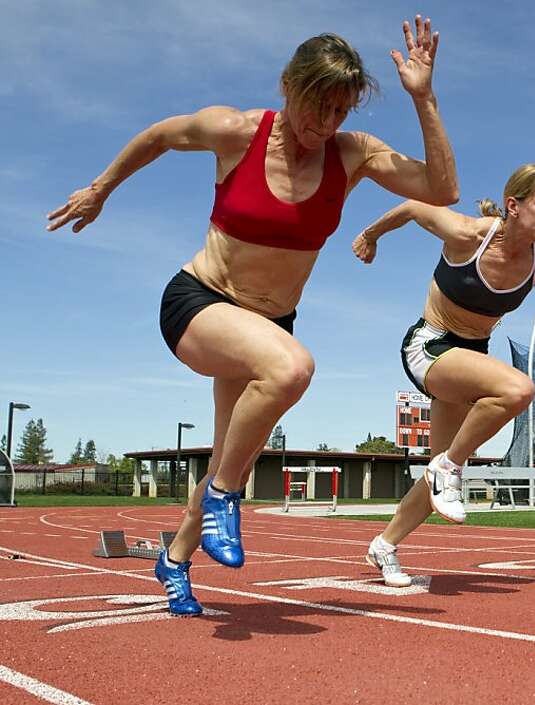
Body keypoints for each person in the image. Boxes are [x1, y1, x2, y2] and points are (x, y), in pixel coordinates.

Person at [46, 19, 459, 615]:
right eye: (316, 107)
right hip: (200, 303)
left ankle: (176, 559)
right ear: (287, 86)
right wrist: (101, 188)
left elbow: (442, 189)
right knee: (291, 371)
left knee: (228, 452)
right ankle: (223, 496)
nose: (325, 125)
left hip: (267, 326)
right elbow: (161, 136)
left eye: (340, 112)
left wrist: (424, 97)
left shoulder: (353, 154)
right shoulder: (235, 131)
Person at [352, 163, 535, 587]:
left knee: (436, 480)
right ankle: (450, 468)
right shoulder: (470, 234)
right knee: (519, 388)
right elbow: (412, 207)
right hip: (431, 346)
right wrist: (369, 236)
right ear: (513, 206)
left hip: (471, 358)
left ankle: (385, 544)